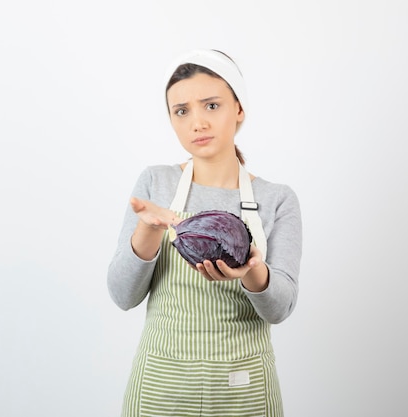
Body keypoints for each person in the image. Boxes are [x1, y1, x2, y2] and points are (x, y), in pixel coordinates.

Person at [107, 49, 303, 417]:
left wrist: (252, 271)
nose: (197, 122)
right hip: (162, 388)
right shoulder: (155, 182)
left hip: (243, 389)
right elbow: (122, 295)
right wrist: (148, 232)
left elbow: (280, 308)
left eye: (211, 106)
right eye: (182, 111)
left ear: (238, 109)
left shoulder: (276, 199)